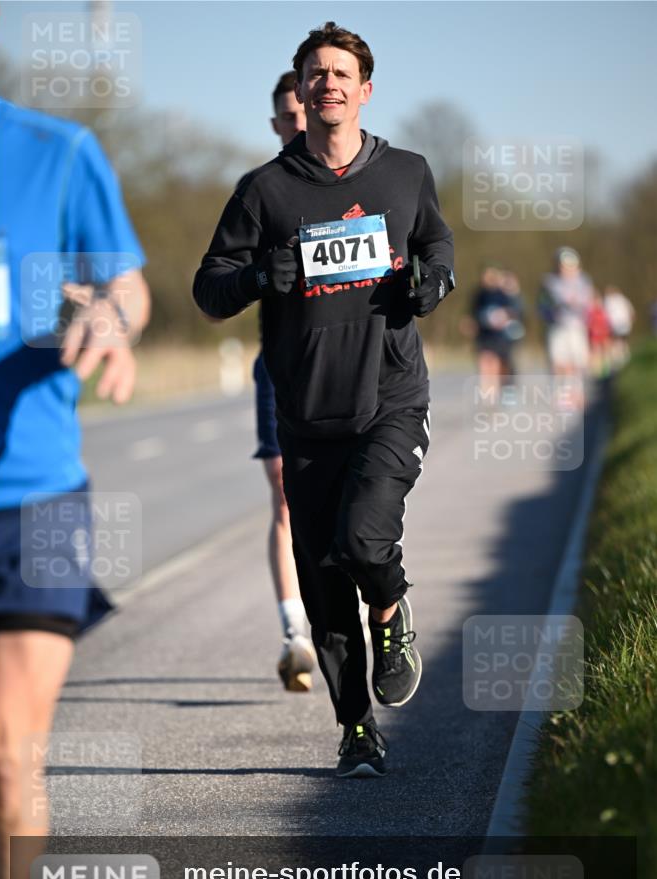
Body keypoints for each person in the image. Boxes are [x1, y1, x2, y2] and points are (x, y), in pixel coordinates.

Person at [193, 22, 454, 778]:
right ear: (300, 91)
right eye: (315, 73)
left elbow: (436, 246)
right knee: (322, 580)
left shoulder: (405, 172)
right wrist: (252, 279)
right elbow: (208, 290)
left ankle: (393, 608)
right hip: (305, 412)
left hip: (390, 397)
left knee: (365, 542)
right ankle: (355, 728)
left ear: (364, 90)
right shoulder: (264, 190)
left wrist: (434, 280)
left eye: (341, 73)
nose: (328, 83)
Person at [0, 2, 150, 879]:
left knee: (9, 755)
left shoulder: (56, 151)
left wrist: (109, 316)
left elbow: (126, 283)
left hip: (34, 500)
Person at [252, 71, 316, 693]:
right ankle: (294, 631)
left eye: (306, 114)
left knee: (343, 495)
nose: (299, 125)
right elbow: (223, 279)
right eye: (287, 119)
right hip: (278, 364)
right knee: (283, 492)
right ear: (276, 125)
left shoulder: (357, 179)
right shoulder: (263, 192)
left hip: (347, 367)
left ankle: (344, 599)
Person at [538, 247, 593, 410]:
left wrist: (577, 303)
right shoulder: (548, 282)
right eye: (562, 265)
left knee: (577, 363)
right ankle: (561, 394)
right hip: (557, 327)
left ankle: (577, 394)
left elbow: (588, 303)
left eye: (570, 265)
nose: (566, 269)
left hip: (577, 327)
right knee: (559, 363)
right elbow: (542, 306)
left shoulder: (584, 281)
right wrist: (553, 311)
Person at [470, 264, 521, 407]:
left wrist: (503, 317)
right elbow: (473, 313)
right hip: (484, 335)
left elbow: (516, 311)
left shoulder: (505, 293)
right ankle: (487, 395)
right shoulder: (479, 294)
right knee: (485, 364)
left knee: (502, 365)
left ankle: (505, 391)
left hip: (501, 336)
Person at [603, 284, 634, 369]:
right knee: (621, 341)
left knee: (617, 342)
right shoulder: (622, 299)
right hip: (622, 323)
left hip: (616, 324)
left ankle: (620, 360)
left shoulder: (609, 300)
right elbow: (631, 312)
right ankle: (623, 358)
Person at [587, 290, 612, 377]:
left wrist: (608, 333)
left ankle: (606, 370)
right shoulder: (590, 311)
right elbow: (588, 324)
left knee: (605, 353)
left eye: (598, 300)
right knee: (596, 353)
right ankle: (596, 372)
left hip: (604, 334)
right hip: (594, 335)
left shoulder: (604, 311)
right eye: (595, 301)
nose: (597, 303)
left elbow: (608, 323)